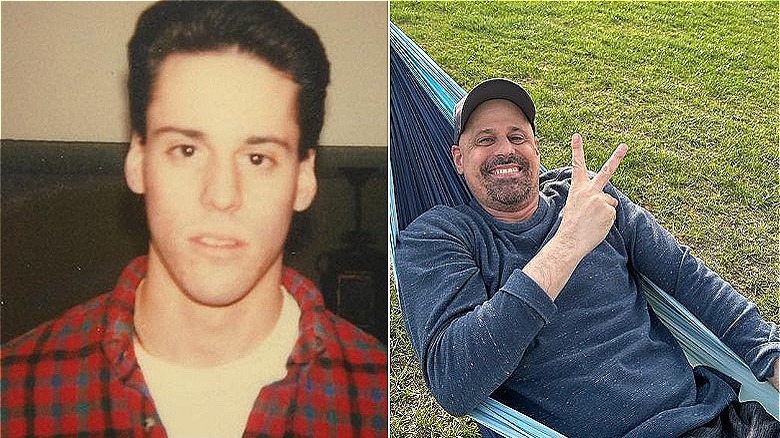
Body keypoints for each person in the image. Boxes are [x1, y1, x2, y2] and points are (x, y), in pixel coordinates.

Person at [1, 2, 387, 437]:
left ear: (303, 179)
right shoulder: (14, 394)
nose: (221, 195)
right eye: (186, 150)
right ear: (137, 161)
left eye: (257, 158)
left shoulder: (377, 395)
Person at [395, 78, 779, 438]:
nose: (505, 150)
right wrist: (569, 243)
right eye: (485, 140)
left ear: (536, 148)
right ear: (459, 158)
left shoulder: (586, 197)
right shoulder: (439, 237)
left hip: (707, 419)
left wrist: (772, 358)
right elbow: (454, 380)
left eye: (517, 136)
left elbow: (687, 278)